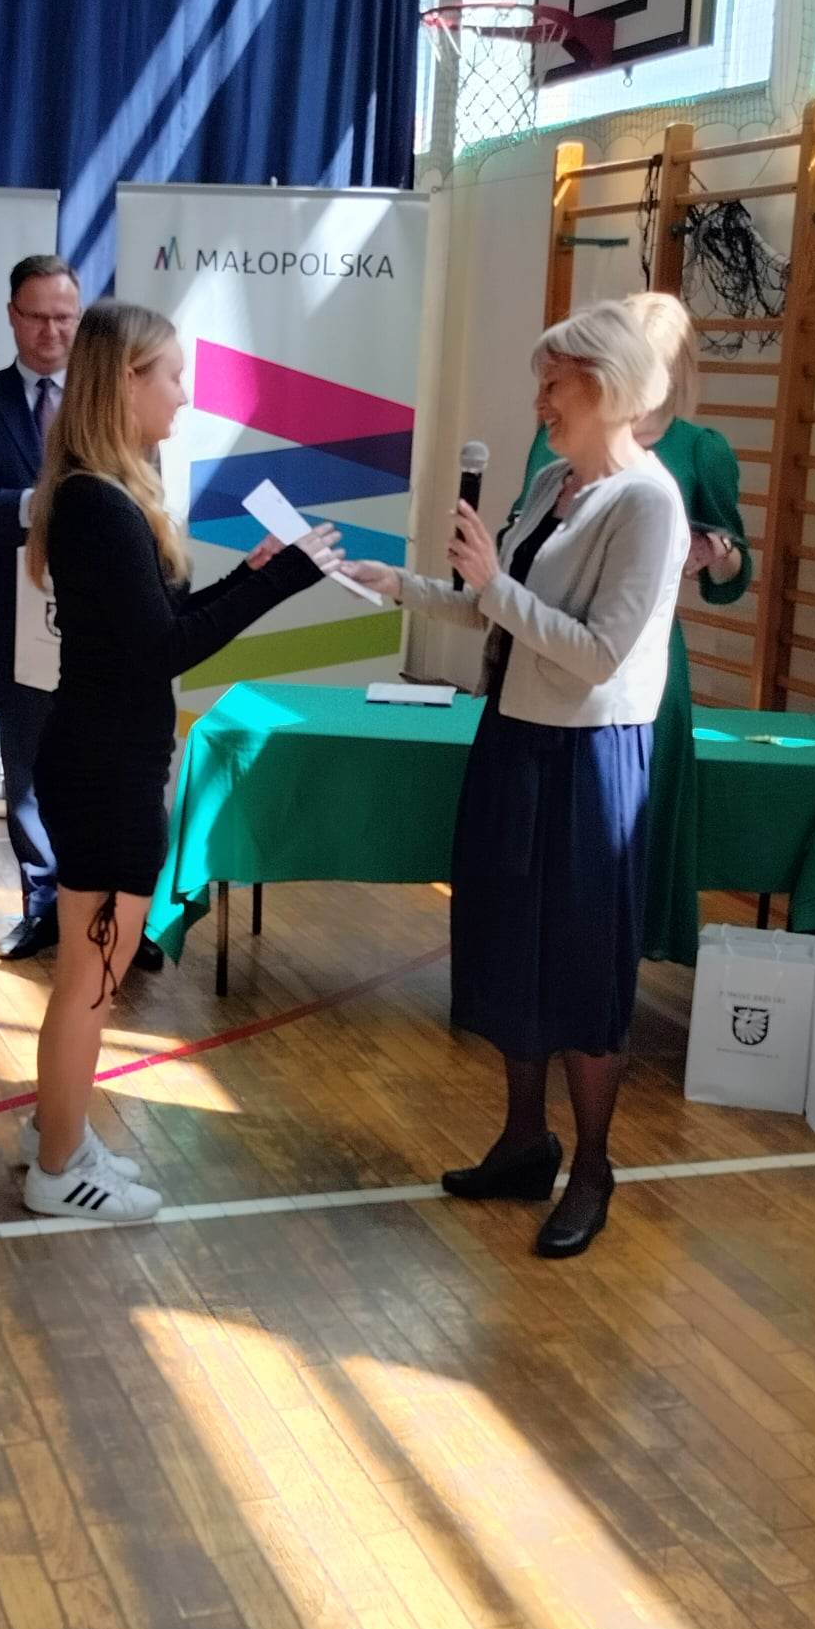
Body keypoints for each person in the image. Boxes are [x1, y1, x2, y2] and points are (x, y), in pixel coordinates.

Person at [342, 301, 689, 1258]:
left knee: (581, 966)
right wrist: (402, 586)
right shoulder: (551, 483)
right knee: (508, 944)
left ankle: (594, 1168)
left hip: (589, 758)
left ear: (608, 387)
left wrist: (494, 583)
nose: (539, 400)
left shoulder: (648, 502)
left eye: (554, 383)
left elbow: (599, 653)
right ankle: (525, 1142)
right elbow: (492, 608)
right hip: (515, 738)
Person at [19, 300, 340, 1221]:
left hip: (104, 755)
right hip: (105, 768)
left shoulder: (102, 497)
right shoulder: (98, 504)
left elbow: (154, 627)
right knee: (92, 980)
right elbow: (165, 650)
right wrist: (283, 579)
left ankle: (59, 1133)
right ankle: (55, 1170)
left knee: (91, 976)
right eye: (171, 375)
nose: (184, 395)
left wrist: (254, 574)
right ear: (125, 381)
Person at [0, 256, 165, 972]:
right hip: (13, 619)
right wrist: (36, 508)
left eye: (65, 317)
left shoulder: (119, 400)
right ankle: (44, 905)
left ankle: (124, 911)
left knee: (117, 768)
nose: (52, 331)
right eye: (36, 316)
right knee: (29, 768)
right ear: (12, 316)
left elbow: (146, 501)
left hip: (108, 626)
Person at [515, 291, 750, 964]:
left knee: (627, 817)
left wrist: (716, 553)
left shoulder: (698, 449)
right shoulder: (554, 439)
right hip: (544, 638)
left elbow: (734, 572)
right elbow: (521, 529)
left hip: (639, 653)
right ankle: (551, 959)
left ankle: (615, 958)